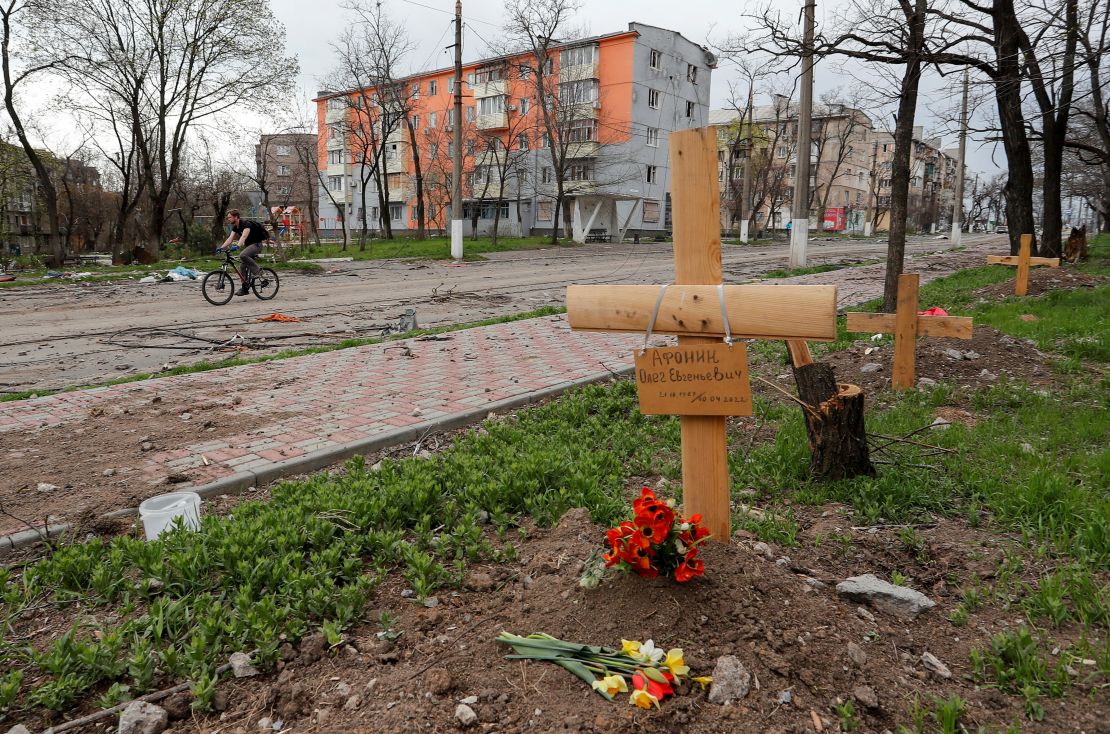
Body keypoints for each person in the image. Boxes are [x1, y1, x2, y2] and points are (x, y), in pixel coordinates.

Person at [220, 209, 269, 296]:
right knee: (242, 267)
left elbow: (244, 236)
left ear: (236, 217)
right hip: (249, 246)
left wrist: (238, 246)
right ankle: (245, 288)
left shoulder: (246, 224)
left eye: (230, 217)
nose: (228, 219)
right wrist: (221, 248)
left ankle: (259, 271)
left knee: (242, 255)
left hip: (256, 245)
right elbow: (230, 239)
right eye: (228, 218)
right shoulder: (235, 227)